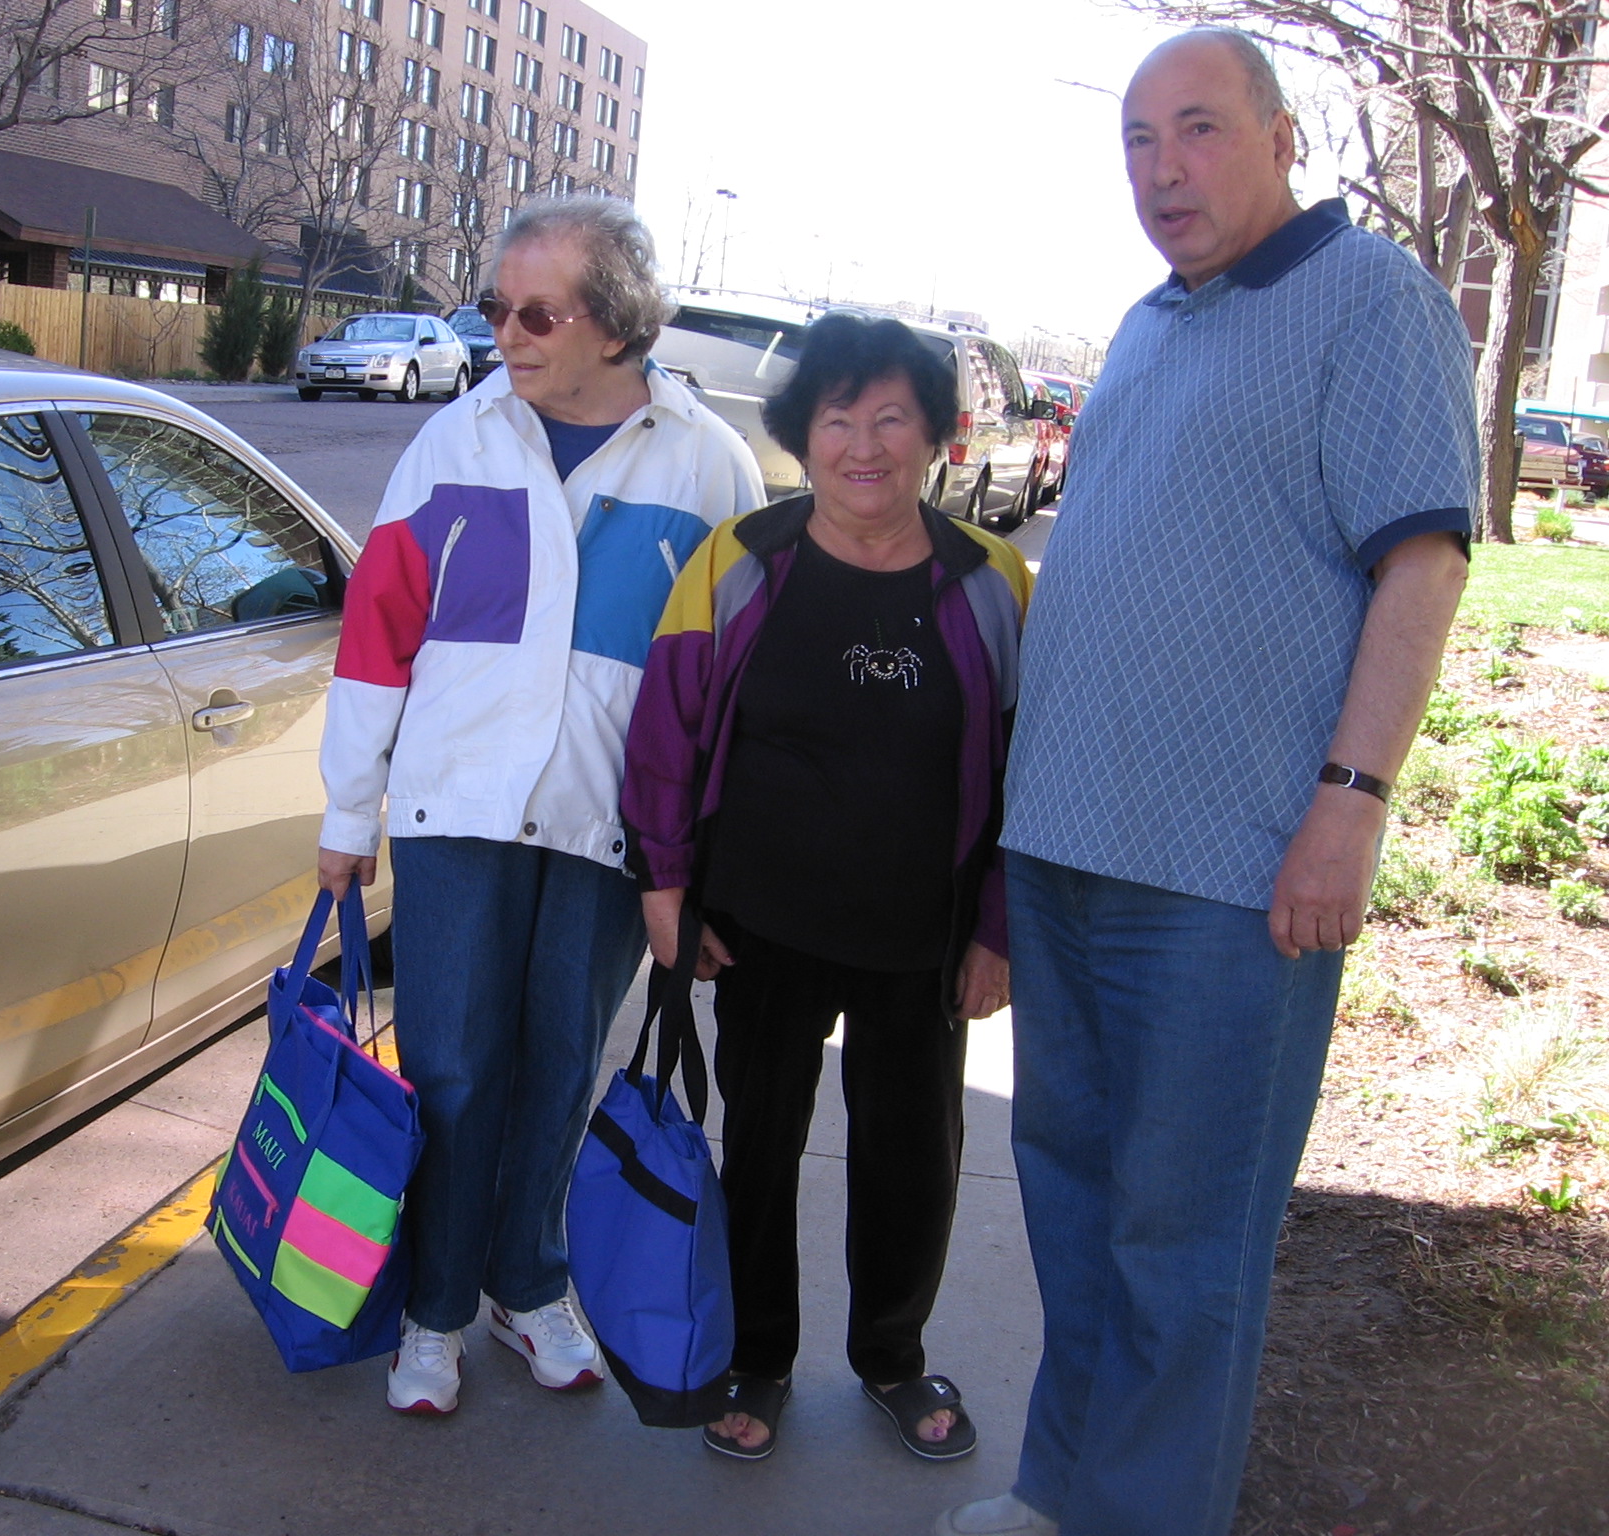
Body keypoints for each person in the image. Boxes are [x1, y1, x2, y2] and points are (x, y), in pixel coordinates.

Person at [939, 29, 1476, 1536]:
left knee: (1183, 1250)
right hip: (1069, 852)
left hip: (1227, 875)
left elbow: (1423, 564)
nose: (1163, 170)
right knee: (1074, 1213)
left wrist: (1351, 802)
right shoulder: (1148, 323)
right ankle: (1059, 1498)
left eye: (1199, 130)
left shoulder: (1371, 300)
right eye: (1137, 140)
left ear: (1283, 136)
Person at [316, 196, 766, 1415]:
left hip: (606, 824)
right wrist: (347, 815)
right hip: (455, 812)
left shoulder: (706, 463)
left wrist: (698, 860)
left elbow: (726, 687)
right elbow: (375, 639)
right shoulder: (452, 443)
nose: (501, 335)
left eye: (535, 315)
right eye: (493, 308)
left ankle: (526, 1281)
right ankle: (433, 1307)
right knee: (452, 1068)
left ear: (614, 327)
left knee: (562, 1063)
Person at [622, 312, 1031, 1462]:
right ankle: (757, 1356)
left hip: (921, 939)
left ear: (934, 435)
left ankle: (891, 1357)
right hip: (759, 926)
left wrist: (996, 929)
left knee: (913, 1161)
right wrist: (665, 890)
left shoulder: (991, 581)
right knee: (756, 1146)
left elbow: (1030, 768)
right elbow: (663, 734)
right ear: (801, 435)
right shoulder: (739, 560)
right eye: (837, 419)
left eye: (890, 418)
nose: (863, 445)